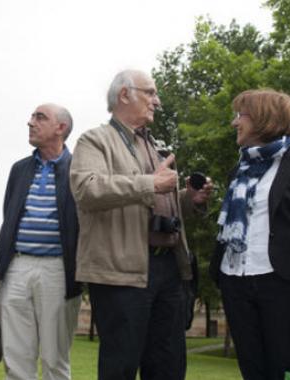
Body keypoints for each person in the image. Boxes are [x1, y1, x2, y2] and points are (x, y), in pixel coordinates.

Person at [70, 69, 213, 380]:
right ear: (125, 94)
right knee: (120, 366)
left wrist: (190, 198)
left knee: (168, 366)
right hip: (121, 271)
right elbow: (87, 189)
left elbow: (159, 201)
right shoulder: (95, 140)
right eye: (150, 92)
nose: (157, 101)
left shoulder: (155, 145)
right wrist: (150, 182)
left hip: (169, 271)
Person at [208, 89, 290, 379]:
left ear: (265, 119)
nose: (234, 123)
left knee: (284, 369)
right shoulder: (239, 169)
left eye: (241, 115)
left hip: (286, 286)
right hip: (235, 282)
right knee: (252, 371)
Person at [0, 103, 82, 380]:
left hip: (58, 270)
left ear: (61, 128)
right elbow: (9, 213)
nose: (30, 122)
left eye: (40, 117)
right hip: (17, 267)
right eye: (32, 116)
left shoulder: (79, 170)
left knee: (55, 358)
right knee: (16, 357)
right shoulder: (19, 169)